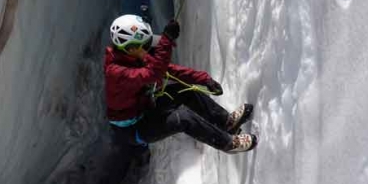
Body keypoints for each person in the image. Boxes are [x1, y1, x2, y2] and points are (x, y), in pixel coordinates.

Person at [104, 14, 256, 153]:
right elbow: (154, 73)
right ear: (130, 49)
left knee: (185, 91)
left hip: (145, 109)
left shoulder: (134, 56)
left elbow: (168, 70)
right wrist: (166, 41)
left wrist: (203, 79)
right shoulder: (116, 73)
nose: (148, 48)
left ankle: (226, 122)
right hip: (135, 129)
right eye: (144, 45)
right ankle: (228, 144)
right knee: (183, 118)